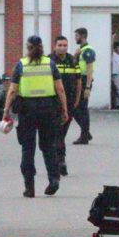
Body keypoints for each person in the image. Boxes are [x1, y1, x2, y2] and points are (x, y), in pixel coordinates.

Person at [2, 35, 68, 197]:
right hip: (48, 110)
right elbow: (60, 89)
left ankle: (29, 187)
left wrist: (6, 110)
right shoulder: (50, 64)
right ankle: (54, 179)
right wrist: (65, 110)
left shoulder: (21, 65)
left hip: (27, 111)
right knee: (48, 146)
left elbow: (12, 90)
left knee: (27, 148)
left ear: (28, 47)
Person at [52, 35, 84, 176]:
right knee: (56, 133)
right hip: (53, 103)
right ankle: (60, 161)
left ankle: (59, 160)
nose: (62, 48)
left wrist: (77, 99)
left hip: (69, 102)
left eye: (65, 45)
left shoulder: (72, 60)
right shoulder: (49, 61)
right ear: (55, 46)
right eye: (60, 45)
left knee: (61, 133)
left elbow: (78, 81)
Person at [72, 27, 95, 144]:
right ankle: (86, 132)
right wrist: (75, 55)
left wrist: (87, 87)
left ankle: (84, 136)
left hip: (85, 80)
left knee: (82, 108)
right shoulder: (80, 50)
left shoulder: (88, 50)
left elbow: (90, 69)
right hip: (78, 81)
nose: (75, 38)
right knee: (75, 107)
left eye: (76, 36)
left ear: (82, 36)